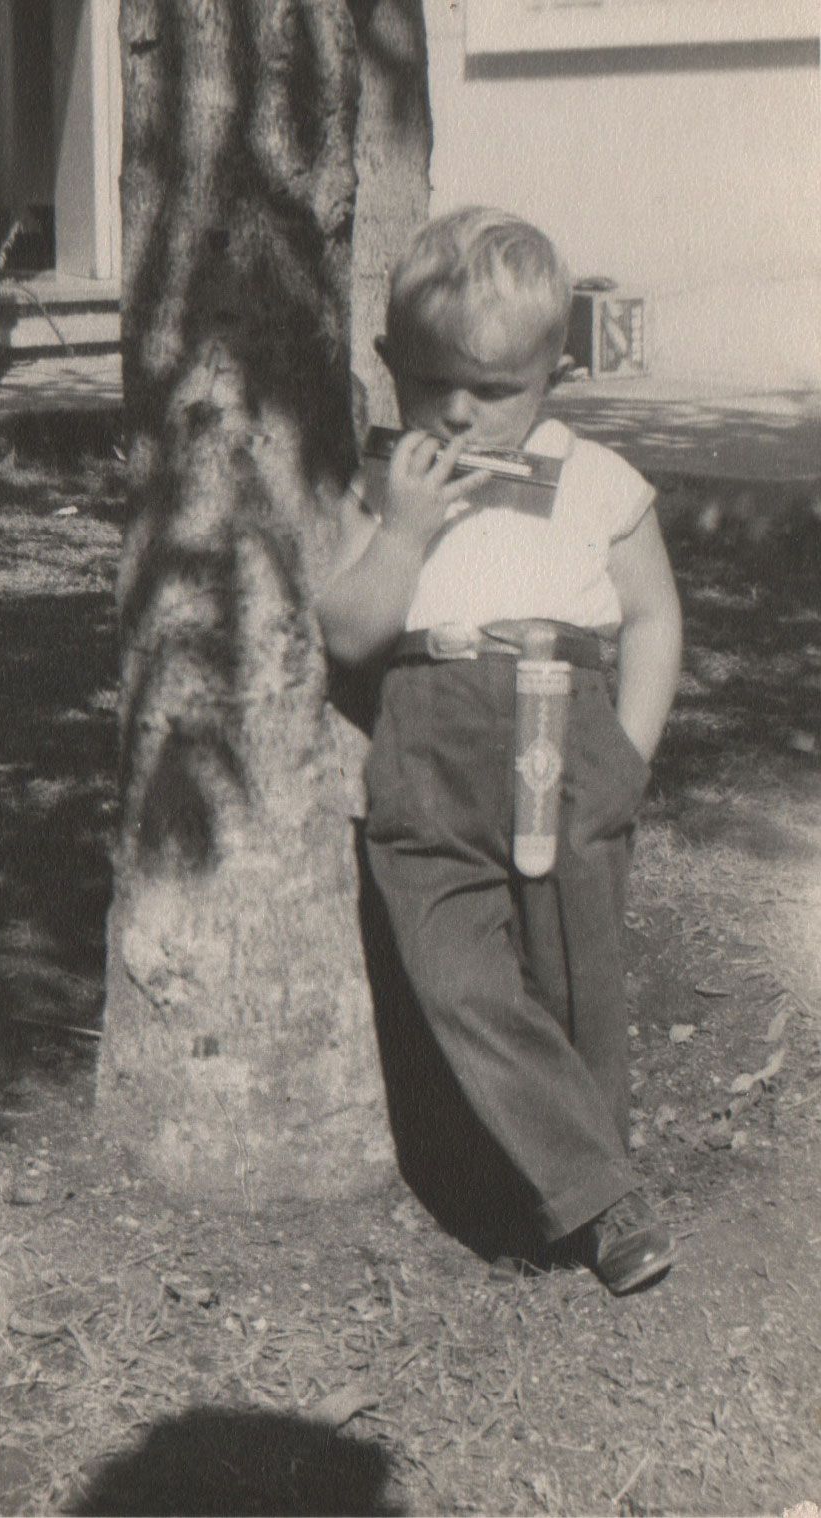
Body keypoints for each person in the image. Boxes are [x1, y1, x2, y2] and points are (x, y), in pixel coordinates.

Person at [316, 208, 683, 1295]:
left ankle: (585, 1181)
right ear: (387, 363)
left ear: (554, 378)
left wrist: (629, 756)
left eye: (495, 390)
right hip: (427, 759)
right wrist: (405, 528)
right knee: (457, 981)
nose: (459, 413)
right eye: (432, 384)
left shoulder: (599, 480)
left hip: (565, 735)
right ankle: (598, 1194)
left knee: (577, 977)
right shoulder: (380, 484)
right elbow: (349, 635)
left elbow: (653, 618)